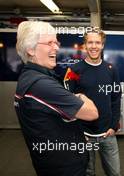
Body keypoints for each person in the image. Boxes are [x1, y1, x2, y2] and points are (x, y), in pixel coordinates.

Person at [14, 21, 98, 176]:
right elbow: (92, 113)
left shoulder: (30, 77)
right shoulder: (41, 84)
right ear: (31, 49)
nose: (57, 47)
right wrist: (81, 96)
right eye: (49, 43)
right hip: (65, 168)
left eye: (56, 42)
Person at [64, 28, 122, 176]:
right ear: (84, 45)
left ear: (102, 45)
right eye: (90, 42)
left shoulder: (111, 70)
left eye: (97, 42)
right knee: (88, 173)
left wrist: (114, 125)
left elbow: (116, 99)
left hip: (107, 134)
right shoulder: (74, 70)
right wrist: (76, 130)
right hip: (84, 134)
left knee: (115, 173)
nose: (94, 46)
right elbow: (67, 102)